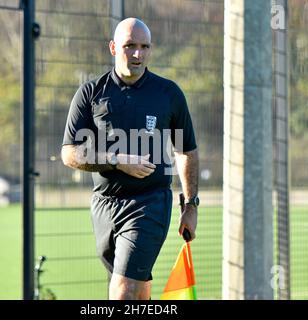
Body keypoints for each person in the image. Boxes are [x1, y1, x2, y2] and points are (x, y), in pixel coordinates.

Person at [61, 17, 199, 300]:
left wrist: (190, 205)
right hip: (104, 204)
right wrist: (116, 159)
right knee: (136, 289)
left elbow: (186, 150)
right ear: (113, 47)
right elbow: (69, 153)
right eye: (130, 46)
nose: (138, 54)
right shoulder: (90, 93)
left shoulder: (168, 93)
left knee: (123, 290)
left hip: (150, 202)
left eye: (144, 47)